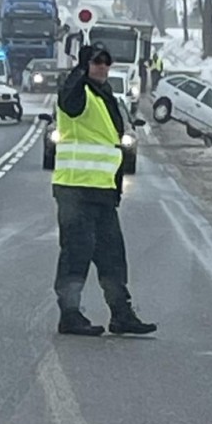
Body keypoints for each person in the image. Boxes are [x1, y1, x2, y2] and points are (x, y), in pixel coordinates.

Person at [52, 40, 157, 337]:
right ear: (86, 65)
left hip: (102, 192)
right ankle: (70, 315)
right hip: (75, 190)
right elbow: (68, 97)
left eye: (106, 62)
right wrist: (78, 68)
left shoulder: (105, 95)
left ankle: (121, 314)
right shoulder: (78, 94)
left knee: (112, 255)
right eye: (96, 61)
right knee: (76, 253)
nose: (103, 67)